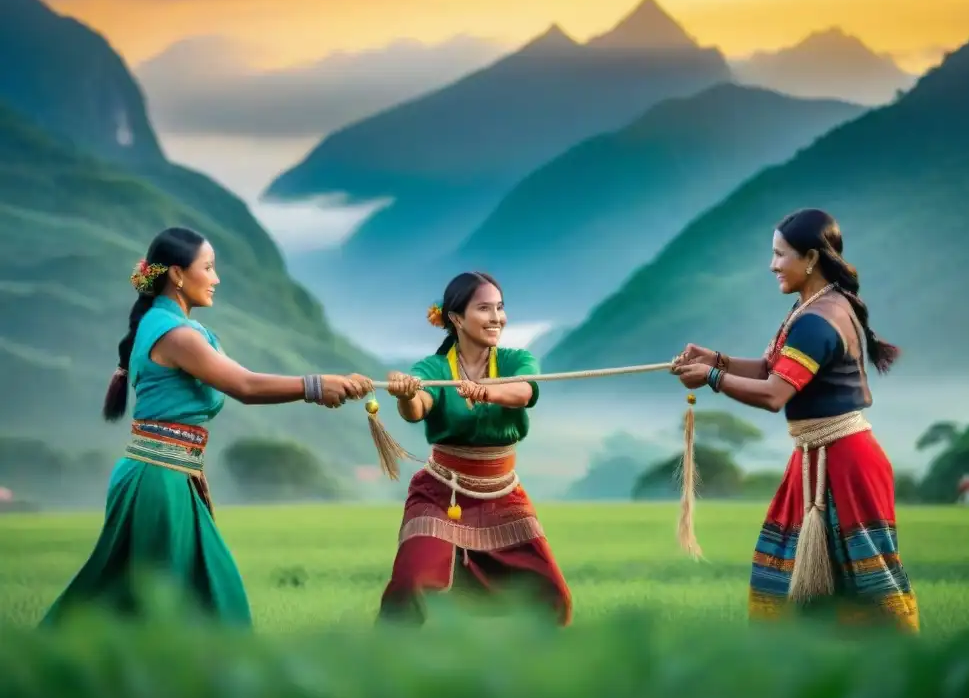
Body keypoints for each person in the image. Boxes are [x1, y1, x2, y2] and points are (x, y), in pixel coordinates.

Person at [40, 226, 374, 627]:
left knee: (177, 599)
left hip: (169, 476)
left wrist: (327, 383)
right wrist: (317, 386)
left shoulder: (181, 329)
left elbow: (243, 375)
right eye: (209, 268)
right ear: (178, 275)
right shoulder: (178, 336)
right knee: (190, 602)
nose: (216, 279)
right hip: (159, 481)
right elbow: (246, 387)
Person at [670, 208, 919, 632]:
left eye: (779, 255)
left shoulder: (818, 320)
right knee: (787, 577)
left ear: (810, 259)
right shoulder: (813, 307)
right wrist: (714, 358)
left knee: (868, 586)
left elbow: (774, 394)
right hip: (814, 459)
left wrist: (711, 378)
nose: (772, 265)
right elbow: (773, 370)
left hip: (844, 464)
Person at [376, 272, 572, 626]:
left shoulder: (515, 361)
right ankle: (388, 665)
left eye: (499, 307)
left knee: (552, 597)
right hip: (441, 492)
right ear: (456, 318)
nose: (497, 317)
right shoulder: (434, 368)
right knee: (410, 585)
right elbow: (418, 408)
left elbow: (525, 392)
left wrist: (486, 391)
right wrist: (406, 395)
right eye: (484, 308)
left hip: (502, 492)